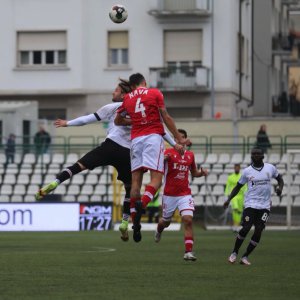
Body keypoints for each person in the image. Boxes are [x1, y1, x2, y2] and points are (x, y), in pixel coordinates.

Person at [36, 79, 133, 241]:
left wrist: (68, 123)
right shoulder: (139, 110)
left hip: (110, 146)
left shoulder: (112, 108)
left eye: (115, 90)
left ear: (123, 94)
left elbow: (88, 119)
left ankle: (56, 182)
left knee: (78, 165)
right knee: (130, 188)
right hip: (128, 153)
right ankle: (124, 222)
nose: (112, 92)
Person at [115, 73, 189, 243]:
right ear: (144, 82)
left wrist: (133, 120)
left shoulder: (127, 99)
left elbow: (118, 121)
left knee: (135, 184)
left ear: (132, 86)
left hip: (135, 140)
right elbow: (166, 117)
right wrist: (178, 137)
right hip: (152, 138)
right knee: (156, 179)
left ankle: (135, 220)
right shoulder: (155, 93)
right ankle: (142, 207)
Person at [154, 129, 208, 261]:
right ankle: (159, 230)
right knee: (165, 222)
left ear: (185, 139)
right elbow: (155, 166)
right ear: (174, 139)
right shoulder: (167, 153)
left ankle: (188, 252)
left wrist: (201, 173)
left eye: (182, 138)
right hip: (169, 195)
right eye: (177, 138)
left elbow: (194, 173)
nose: (180, 140)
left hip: (185, 194)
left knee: (188, 220)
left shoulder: (190, 155)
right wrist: (162, 160)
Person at [224, 148, 283, 265]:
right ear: (251, 156)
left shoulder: (270, 168)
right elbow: (238, 187)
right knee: (246, 228)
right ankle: (234, 253)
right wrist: (228, 199)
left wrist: (280, 188)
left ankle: (245, 257)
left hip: (265, 205)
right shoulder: (247, 171)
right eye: (253, 154)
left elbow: (280, 179)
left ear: (263, 156)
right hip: (250, 204)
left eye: (258, 154)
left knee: (259, 230)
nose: (255, 155)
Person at [225, 164, 247, 232]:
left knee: (239, 212)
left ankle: (236, 226)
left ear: (239, 168)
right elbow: (228, 186)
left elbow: (245, 186)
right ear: (234, 168)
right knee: (236, 209)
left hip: (241, 196)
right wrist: (226, 195)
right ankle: (236, 225)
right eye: (236, 168)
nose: (237, 169)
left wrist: (246, 193)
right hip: (234, 196)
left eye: (238, 168)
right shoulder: (230, 177)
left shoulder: (242, 176)